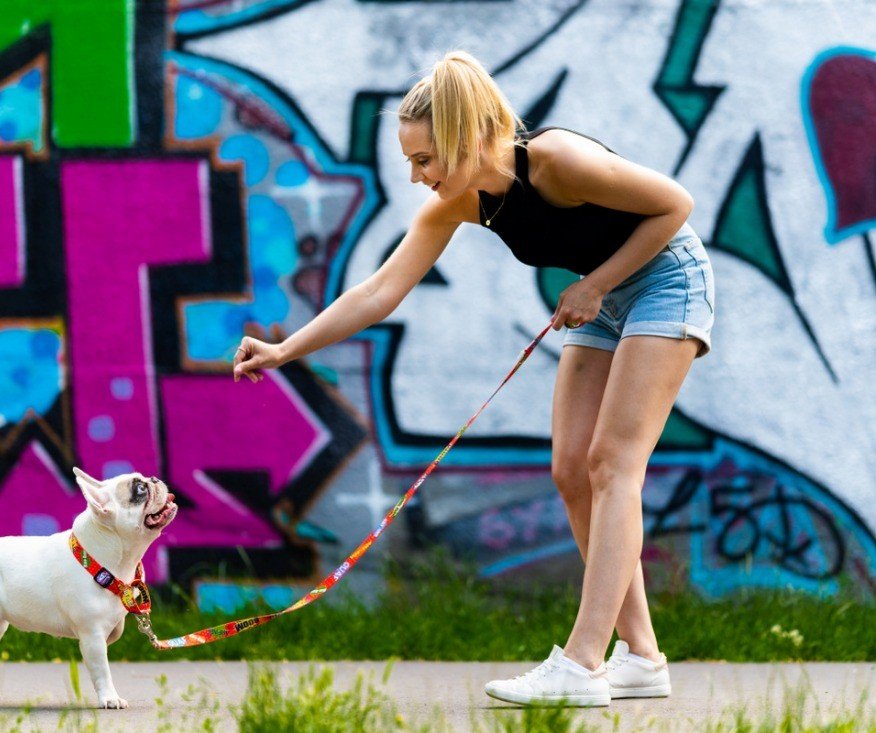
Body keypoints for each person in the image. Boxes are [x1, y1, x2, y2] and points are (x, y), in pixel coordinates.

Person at [232, 50, 714, 707]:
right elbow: (378, 291)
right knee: (572, 468)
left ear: (462, 136)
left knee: (612, 462)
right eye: (410, 161)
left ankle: (582, 662)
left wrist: (597, 284)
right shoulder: (460, 202)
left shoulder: (556, 161)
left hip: (664, 277)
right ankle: (643, 657)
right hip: (602, 296)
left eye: (423, 158)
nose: (415, 175)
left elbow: (675, 207)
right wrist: (286, 350)